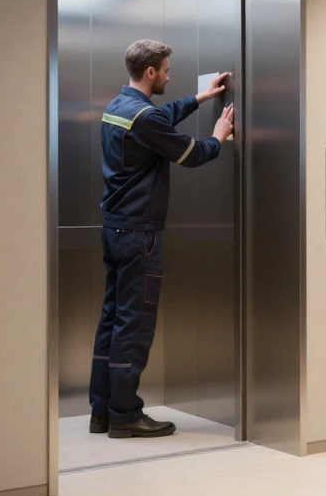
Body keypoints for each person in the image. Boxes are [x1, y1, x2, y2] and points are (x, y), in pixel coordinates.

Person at [89, 39, 235, 439]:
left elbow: (160, 116)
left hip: (114, 229)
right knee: (133, 325)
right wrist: (220, 135)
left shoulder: (119, 109)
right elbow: (193, 153)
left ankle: (102, 410)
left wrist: (200, 98)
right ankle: (125, 414)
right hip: (140, 235)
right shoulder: (145, 118)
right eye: (167, 70)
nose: (170, 76)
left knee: (113, 318)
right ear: (150, 72)